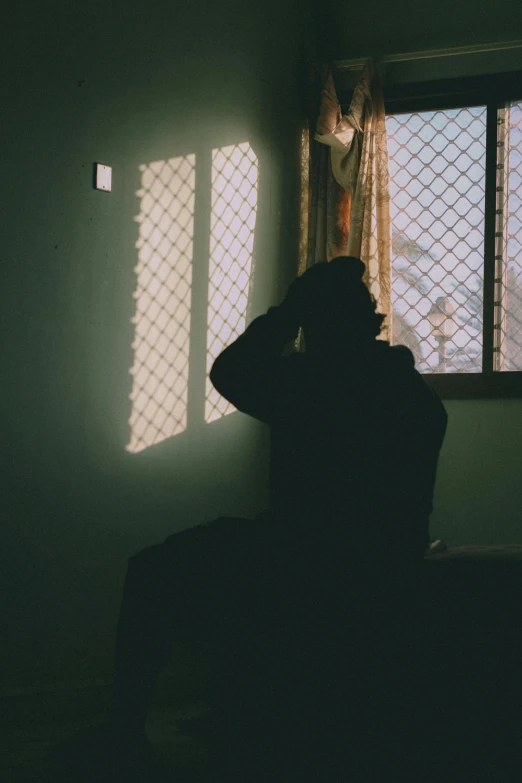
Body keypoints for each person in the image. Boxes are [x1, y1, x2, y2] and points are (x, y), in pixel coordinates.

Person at [105, 256, 448, 780]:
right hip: (384, 560)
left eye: (312, 325)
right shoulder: (411, 390)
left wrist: (286, 313)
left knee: (153, 571)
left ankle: (123, 735)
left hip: (309, 558)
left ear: (321, 325)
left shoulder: (318, 384)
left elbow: (228, 371)